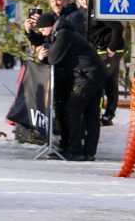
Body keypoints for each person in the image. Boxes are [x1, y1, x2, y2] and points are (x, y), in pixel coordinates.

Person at [33, 12, 107, 161]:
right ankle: (88, 151)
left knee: (72, 109)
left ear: (49, 26)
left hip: (87, 75)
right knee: (91, 114)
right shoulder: (64, 32)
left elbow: (53, 58)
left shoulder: (63, 34)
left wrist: (42, 56)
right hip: (94, 73)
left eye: (42, 30)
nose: (43, 34)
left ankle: (75, 150)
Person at [88, 16, 126, 127]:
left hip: (108, 50)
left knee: (100, 83)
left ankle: (99, 116)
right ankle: (107, 116)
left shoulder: (99, 10)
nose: (85, 0)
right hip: (97, 50)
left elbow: (118, 26)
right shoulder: (82, 11)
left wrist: (112, 46)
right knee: (109, 82)